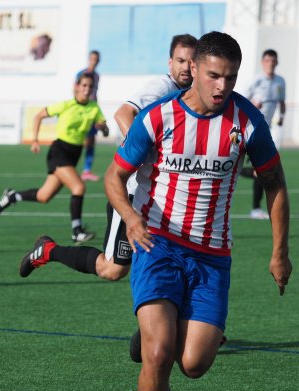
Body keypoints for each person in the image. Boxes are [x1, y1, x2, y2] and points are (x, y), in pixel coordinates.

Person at [104, 31, 291, 391]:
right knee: (161, 352)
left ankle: (152, 331)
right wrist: (129, 217)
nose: (223, 85)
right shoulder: (158, 116)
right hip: (159, 246)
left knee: (194, 365)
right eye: (214, 75)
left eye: (230, 77)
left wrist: (279, 251)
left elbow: (274, 183)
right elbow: (113, 176)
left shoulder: (246, 122)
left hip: (211, 259)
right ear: (196, 71)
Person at [19, 34, 197, 282]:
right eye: (180, 60)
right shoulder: (163, 87)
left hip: (160, 195)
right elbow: (124, 113)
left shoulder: (191, 96)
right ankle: (49, 250)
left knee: (167, 261)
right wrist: (143, 154)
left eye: (190, 62)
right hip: (132, 193)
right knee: (112, 269)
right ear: (170, 63)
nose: (186, 67)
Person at [0, 72, 108, 244]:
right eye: (84, 85)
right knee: (78, 187)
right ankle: (77, 231)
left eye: (90, 86)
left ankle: (12, 196)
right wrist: (34, 140)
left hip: (74, 154)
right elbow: (38, 116)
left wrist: (102, 128)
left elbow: (105, 131)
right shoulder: (65, 105)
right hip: (59, 152)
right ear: (76, 87)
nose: (87, 89)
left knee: (43, 196)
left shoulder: (94, 108)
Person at [242, 49, 286, 219]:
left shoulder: (280, 82)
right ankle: (255, 209)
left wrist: (281, 117)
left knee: (264, 169)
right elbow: (243, 101)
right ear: (263, 62)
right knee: (260, 170)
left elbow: (282, 103)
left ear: (277, 62)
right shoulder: (256, 80)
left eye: (273, 61)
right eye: (267, 60)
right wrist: (253, 104)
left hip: (268, 132)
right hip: (251, 128)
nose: (270, 63)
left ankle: (256, 209)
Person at [76, 51, 101, 181]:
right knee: (78, 141)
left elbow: (94, 95)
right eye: (92, 59)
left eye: (96, 59)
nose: (94, 61)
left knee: (91, 142)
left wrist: (96, 113)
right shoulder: (81, 74)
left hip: (93, 112)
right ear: (88, 59)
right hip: (81, 112)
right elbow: (75, 91)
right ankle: (70, 166)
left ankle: (86, 170)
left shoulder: (97, 76)